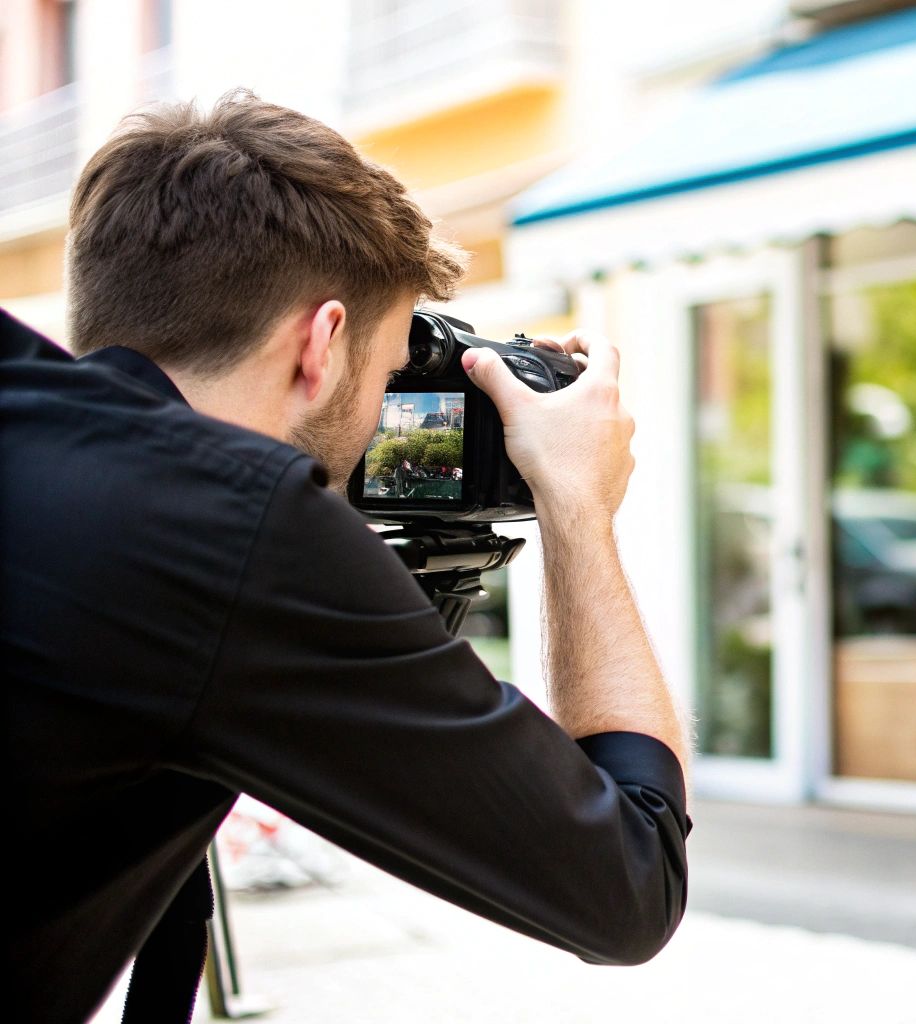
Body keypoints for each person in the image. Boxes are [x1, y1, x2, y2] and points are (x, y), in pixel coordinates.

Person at [1, 93, 689, 1023]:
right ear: (321, 345)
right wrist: (577, 506)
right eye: (393, 370)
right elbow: (629, 884)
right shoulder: (235, 530)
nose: (383, 421)